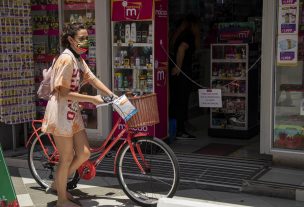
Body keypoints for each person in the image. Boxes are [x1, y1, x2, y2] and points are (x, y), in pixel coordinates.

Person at [41, 23, 116, 207]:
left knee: (84, 153)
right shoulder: (66, 59)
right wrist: (92, 99)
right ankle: (61, 199)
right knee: (66, 158)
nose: (85, 42)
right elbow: (62, 92)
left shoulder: (78, 59)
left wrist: (112, 95)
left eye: (87, 38)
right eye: (81, 38)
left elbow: (92, 78)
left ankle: (59, 184)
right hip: (60, 113)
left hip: (72, 113)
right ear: (71, 40)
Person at [169, 14, 200, 140]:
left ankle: (176, 127)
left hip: (177, 74)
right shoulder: (189, 35)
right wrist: (179, 66)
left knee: (176, 100)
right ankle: (180, 130)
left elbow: (173, 47)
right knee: (182, 100)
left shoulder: (177, 35)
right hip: (183, 73)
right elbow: (182, 48)